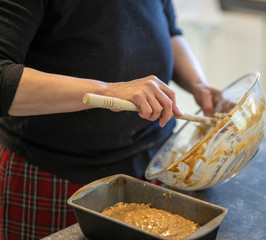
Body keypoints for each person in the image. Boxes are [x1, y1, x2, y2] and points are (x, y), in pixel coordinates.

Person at [0, 0, 221, 239]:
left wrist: (199, 84)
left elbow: (169, 31)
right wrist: (109, 90)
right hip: (56, 174)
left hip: (154, 167)